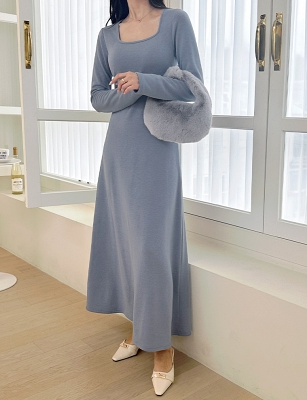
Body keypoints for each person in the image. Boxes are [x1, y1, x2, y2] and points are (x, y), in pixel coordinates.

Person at [86, 0, 203, 395]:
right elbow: (98, 97)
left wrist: (142, 81)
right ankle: (140, 329)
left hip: (157, 146)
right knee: (126, 242)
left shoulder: (175, 21)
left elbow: (191, 87)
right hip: (118, 148)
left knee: (152, 246)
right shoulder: (107, 35)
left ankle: (162, 346)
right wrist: (132, 91)